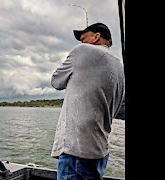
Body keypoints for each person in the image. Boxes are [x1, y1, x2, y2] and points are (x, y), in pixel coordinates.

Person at [50, 22, 125, 180]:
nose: (81, 43)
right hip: (100, 151)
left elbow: (56, 82)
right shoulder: (119, 66)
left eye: (84, 38)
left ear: (96, 36)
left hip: (76, 149)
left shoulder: (82, 50)